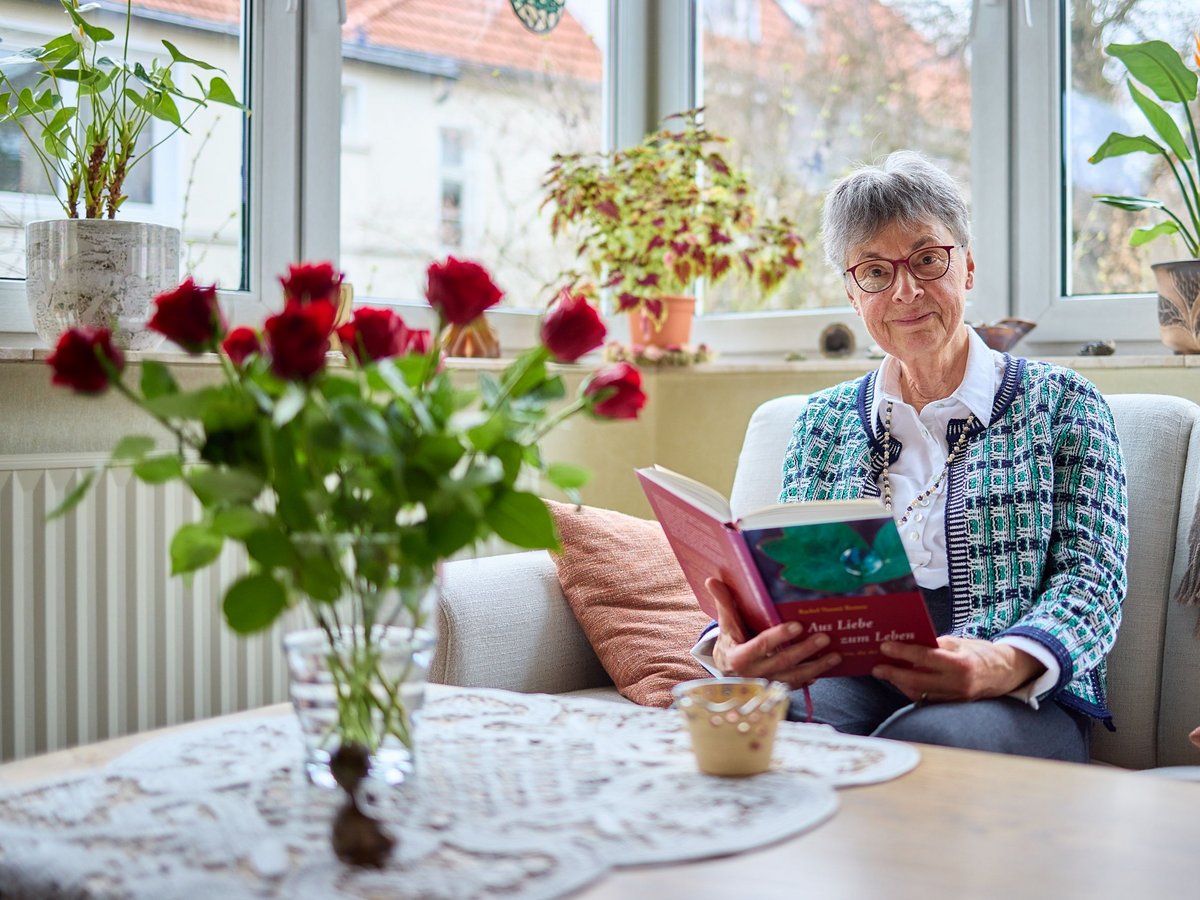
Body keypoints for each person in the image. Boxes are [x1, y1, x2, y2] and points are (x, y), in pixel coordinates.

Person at [694, 151, 1128, 762]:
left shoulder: (1065, 404)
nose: (906, 290)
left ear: (968, 267)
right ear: (852, 292)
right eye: (874, 271)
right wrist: (728, 646)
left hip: (1016, 692)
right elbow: (785, 576)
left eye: (928, 259)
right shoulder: (820, 424)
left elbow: (1094, 579)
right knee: (744, 722)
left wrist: (1003, 661)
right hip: (849, 675)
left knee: (928, 747)